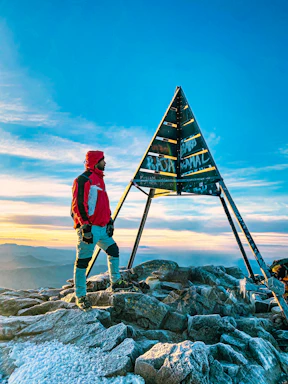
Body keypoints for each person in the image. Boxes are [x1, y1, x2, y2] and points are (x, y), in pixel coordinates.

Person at [71, 150, 131, 310]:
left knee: (113, 250)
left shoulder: (99, 180)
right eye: (103, 160)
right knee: (83, 262)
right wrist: (85, 226)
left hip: (102, 228)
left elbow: (104, 204)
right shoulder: (83, 180)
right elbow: (78, 205)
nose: (105, 163)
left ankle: (116, 281)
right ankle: (80, 296)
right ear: (96, 161)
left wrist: (109, 221)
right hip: (90, 229)